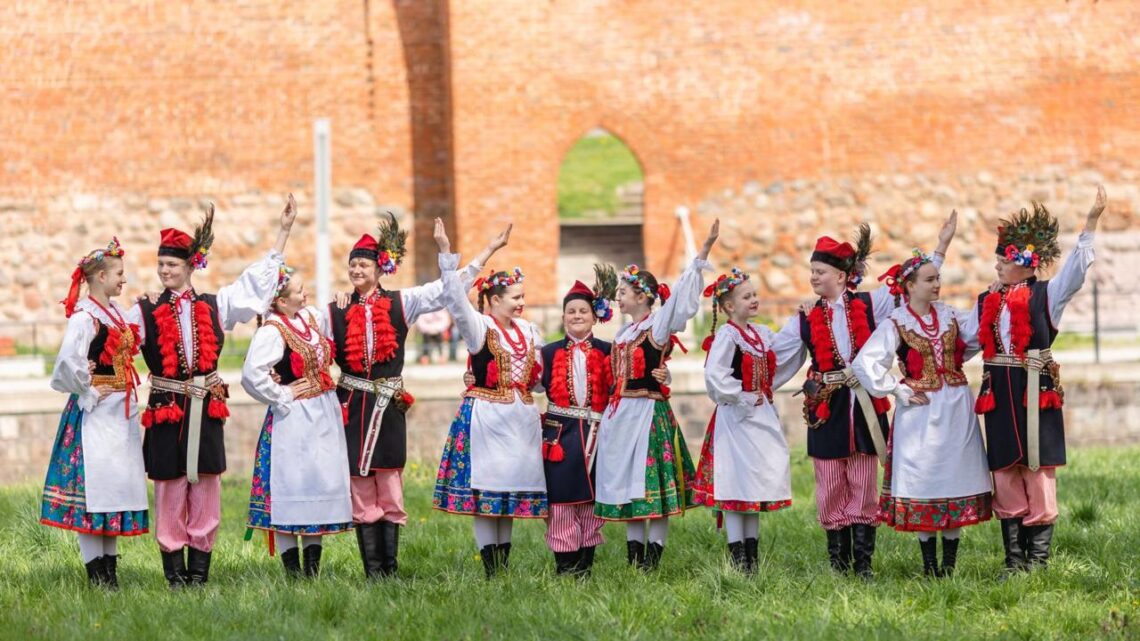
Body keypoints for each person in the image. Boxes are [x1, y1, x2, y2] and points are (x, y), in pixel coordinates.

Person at [127, 196, 297, 587]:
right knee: (169, 487)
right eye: (161, 265)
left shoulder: (214, 304)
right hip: (167, 406)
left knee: (206, 485)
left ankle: (199, 576)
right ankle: (174, 576)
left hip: (206, 407)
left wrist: (282, 232)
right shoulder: (146, 310)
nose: (164, 271)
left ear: (190, 266)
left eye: (171, 264)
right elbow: (117, 342)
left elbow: (254, 284)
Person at [326, 214, 507, 578]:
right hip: (352, 406)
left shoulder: (402, 302)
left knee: (389, 482)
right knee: (360, 485)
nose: (357, 270)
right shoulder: (335, 309)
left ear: (380, 268)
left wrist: (469, 252)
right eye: (352, 265)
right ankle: (372, 573)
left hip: (388, 405)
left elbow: (448, 289)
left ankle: (390, 570)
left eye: (364, 264)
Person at [784, 215, 955, 579]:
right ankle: (838, 563)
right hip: (828, 407)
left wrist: (939, 249)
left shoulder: (869, 305)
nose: (813, 277)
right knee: (830, 484)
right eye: (812, 271)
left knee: (863, 484)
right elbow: (774, 353)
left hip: (863, 405)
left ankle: (863, 565)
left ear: (842, 276)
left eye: (820, 271)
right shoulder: (804, 318)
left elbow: (911, 284)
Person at [971, 186, 1105, 574]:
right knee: (1004, 470)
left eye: (1002, 259)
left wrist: (1090, 224)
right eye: (996, 258)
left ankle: (1038, 561)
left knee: (1038, 470)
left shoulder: (1047, 295)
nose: (996, 266)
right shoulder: (986, 301)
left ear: (1026, 263)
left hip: (1033, 393)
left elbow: (1077, 273)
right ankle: (1013, 560)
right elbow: (963, 338)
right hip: (998, 395)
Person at [853, 246, 992, 578]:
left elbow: (972, 339)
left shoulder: (949, 315)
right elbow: (865, 363)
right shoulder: (896, 323)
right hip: (921, 412)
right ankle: (930, 567)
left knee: (954, 474)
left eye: (937, 278)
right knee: (924, 479)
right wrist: (898, 389)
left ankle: (950, 566)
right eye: (929, 279)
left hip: (956, 407)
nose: (936, 284)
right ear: (910, 286)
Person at [593, 220, 720, 572]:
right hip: (621, 416)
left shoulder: (657, 325)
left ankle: (653, 559)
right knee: (631, 487)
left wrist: (701, 254)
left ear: (643, 296)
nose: (617, 297)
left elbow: (680, 301)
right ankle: (635, 559)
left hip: (648, 412)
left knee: (655, 486)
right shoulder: (621, 335)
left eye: (623, 292)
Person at [431, 219, 547, 577]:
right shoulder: (479, 326)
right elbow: (453, 295)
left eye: (523, 297)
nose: (522, 304)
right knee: (486, 495)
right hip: (487, 417)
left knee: (507, 494)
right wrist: (458, 251)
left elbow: (540, 379)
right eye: (515, 298)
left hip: (521, 418)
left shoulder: (529, 331)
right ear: (494, 301)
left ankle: (503, 566)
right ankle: (490, 571)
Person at [41, 238, 148, 588]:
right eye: (119, 273)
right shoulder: (85, 317)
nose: (123, 279)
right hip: (96, 413)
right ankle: (97, 577)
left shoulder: (115, 313)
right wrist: (86, 387)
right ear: (100, 276)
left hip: (119, 412)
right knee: (94, 492)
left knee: (114, 490)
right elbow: (66, 363)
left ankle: (110, 574)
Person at [243, 266, 353, 578]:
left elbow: (333, 315)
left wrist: (343, 297)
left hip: (322, 416)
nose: (305, 295)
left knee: (317, 482)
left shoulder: (307, 318)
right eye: (299, 292)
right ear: (280, 301)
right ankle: (293, 572)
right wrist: (282, 394)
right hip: (294, 420)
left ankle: (313, 570)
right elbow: (251, 375)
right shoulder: (272, 331)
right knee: (291, 485)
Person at [692, 268, 804, 573]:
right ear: (729, 306)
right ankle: (737, 556)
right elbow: (715, 373)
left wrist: (800, 321)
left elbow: (783, 351)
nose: (754, 299)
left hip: (759, 416)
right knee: (734, 483)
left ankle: (752, 555)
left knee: (753, 483)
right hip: (735, 419)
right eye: (746, 296)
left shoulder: (759, 334)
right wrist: (739, 395)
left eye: (754, 294)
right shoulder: (728, 335)